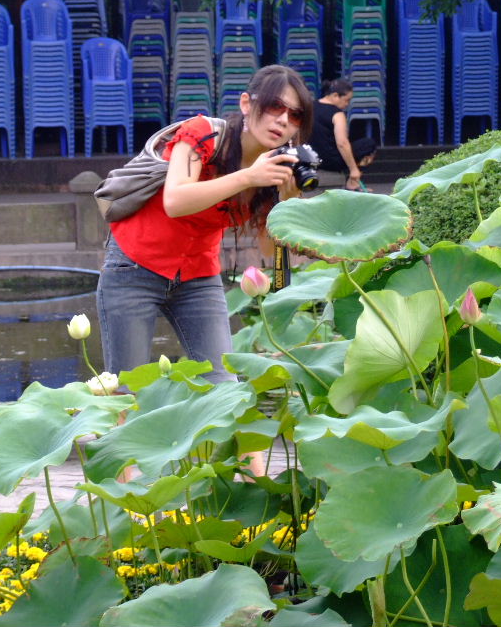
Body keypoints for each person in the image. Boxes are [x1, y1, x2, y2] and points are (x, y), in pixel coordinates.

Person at [95, 64, 312, 476]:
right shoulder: (203, 134)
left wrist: (287, 200)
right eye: (274, 106)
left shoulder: (274, 169)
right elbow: (176, 199)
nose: (283, 120)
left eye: (295, 115)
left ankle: (255, 483)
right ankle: (128, 511)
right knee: (126, 393)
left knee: (225, 390)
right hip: (134, 266)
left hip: (197, 277)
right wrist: (249, 175)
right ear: (247, 104)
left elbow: (272, 251)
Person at [312, 78, 377, 190]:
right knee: (368, 144)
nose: (347, 104)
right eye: (347, 100)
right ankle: (352, 182)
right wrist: (353, 169)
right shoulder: (337, 114)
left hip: (312, 158)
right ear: (335, 95)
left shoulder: (310, 107)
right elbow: (342, 143)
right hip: (332, 162)